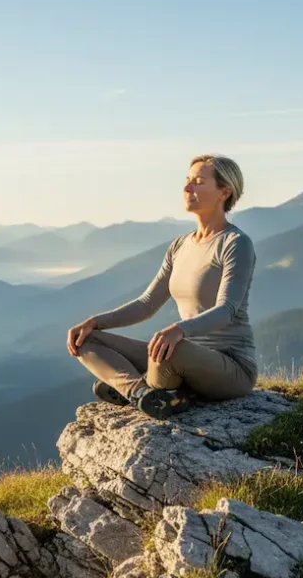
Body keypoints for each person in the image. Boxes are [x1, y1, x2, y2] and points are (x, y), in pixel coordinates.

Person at [66, 154, 258, 420]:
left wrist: (179, 329)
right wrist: (95, 322)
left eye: (199, 182)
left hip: (231, 368)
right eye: (187, 180)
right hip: (179, 356)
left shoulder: (235, 243)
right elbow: (147, 304)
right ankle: (141, 393)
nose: (187, 188)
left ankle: (134, 387)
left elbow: (227, 309)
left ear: (224, 191)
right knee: (86, 340)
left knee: (168, 350)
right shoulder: (180, 246)